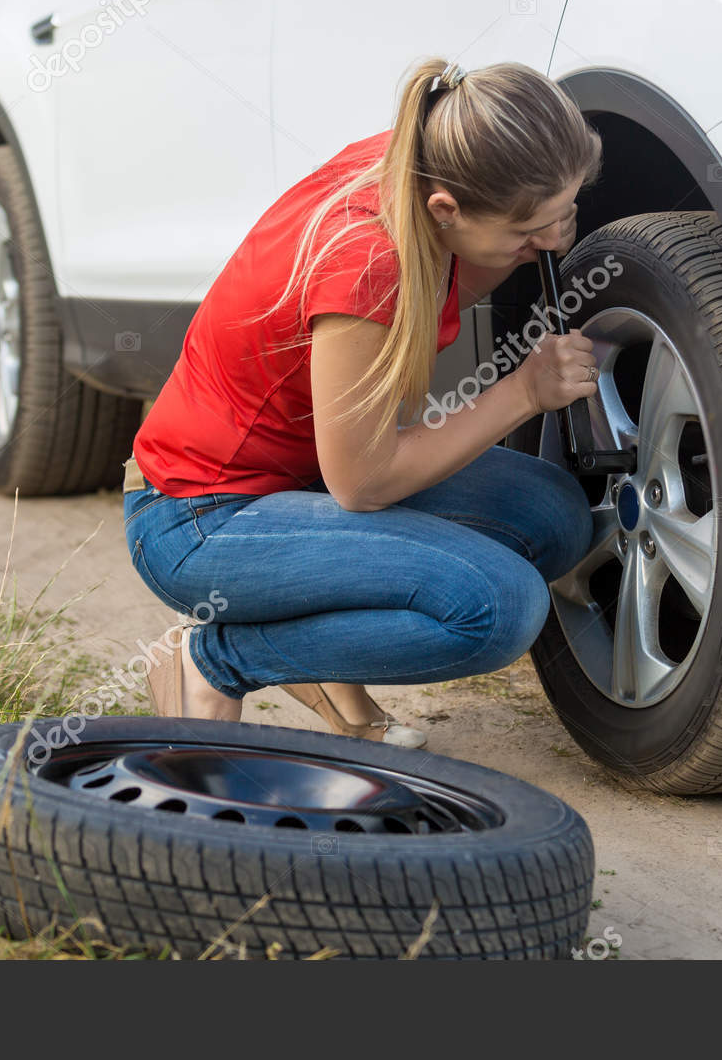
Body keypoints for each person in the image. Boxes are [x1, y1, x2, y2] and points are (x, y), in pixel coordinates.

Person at [122, 56, 604, 747]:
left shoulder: (422, 159)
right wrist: (524, 391)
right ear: (449, 210)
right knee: (498, 606)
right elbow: (364, 482)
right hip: (196, 516)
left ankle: (323, 654)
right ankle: (214, 660)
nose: (554, 241)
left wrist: (524, 234)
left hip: (300, 475)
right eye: (531, 231)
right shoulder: (368, 264)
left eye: (566, 214)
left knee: (555, 519)